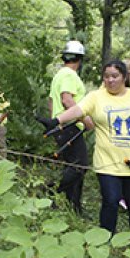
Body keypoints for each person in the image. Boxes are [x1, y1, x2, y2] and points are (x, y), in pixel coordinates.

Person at [40, 59, 130, 258]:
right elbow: (77, 110)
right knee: (110, 202)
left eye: (115, 76)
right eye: (106, 76)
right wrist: (56, 121)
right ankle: (104, 246)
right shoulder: (96, 97)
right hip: (107, 164)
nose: (110, 80)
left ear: (124, 77)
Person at [44, 40, 94, 215]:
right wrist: (86, 119)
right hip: (70, 126)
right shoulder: (69, 75)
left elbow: (51, 102)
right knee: (79, 166)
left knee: (73, 166)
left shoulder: (59, 75)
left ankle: (74, 207)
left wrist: (56, 122)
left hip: (62, 127)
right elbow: (67, 100)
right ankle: (54, 193)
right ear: (79, 59)